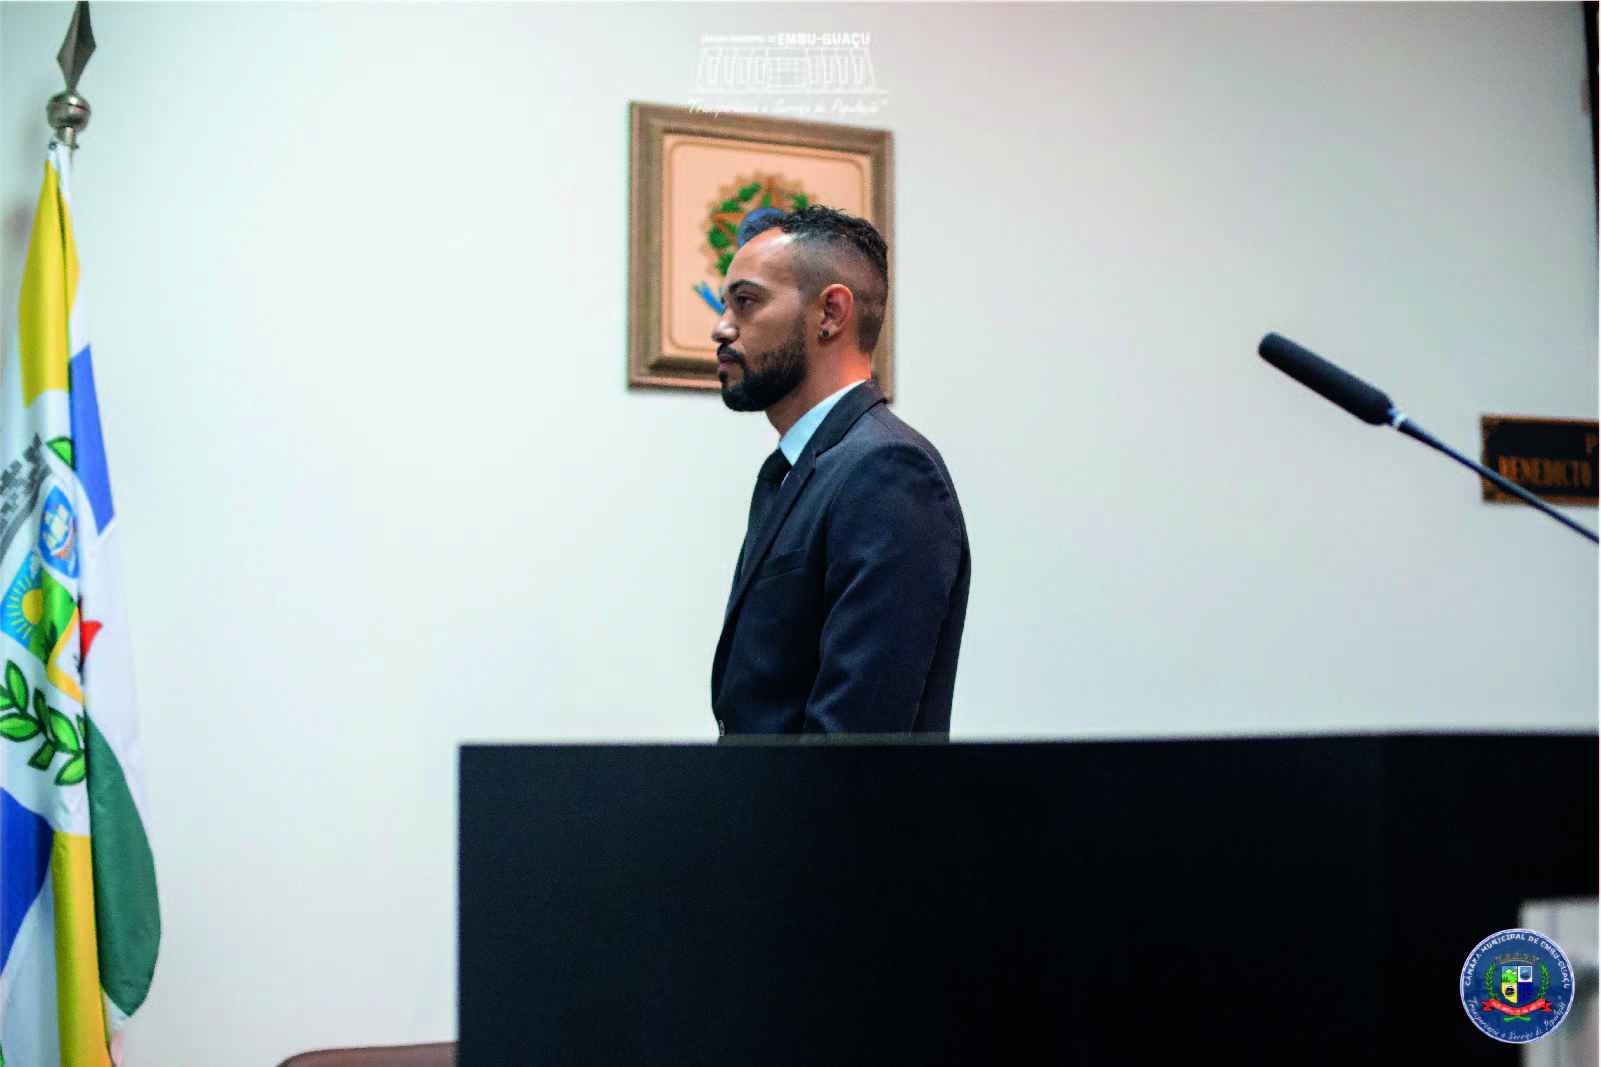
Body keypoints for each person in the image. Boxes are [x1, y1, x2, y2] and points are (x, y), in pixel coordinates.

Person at [709, 206, 970, 735]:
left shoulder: (887, 471)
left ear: (830, 313)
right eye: (725, 304)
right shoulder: (796, 469)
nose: (721, 327)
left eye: (746, 301)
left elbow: (851, 750)